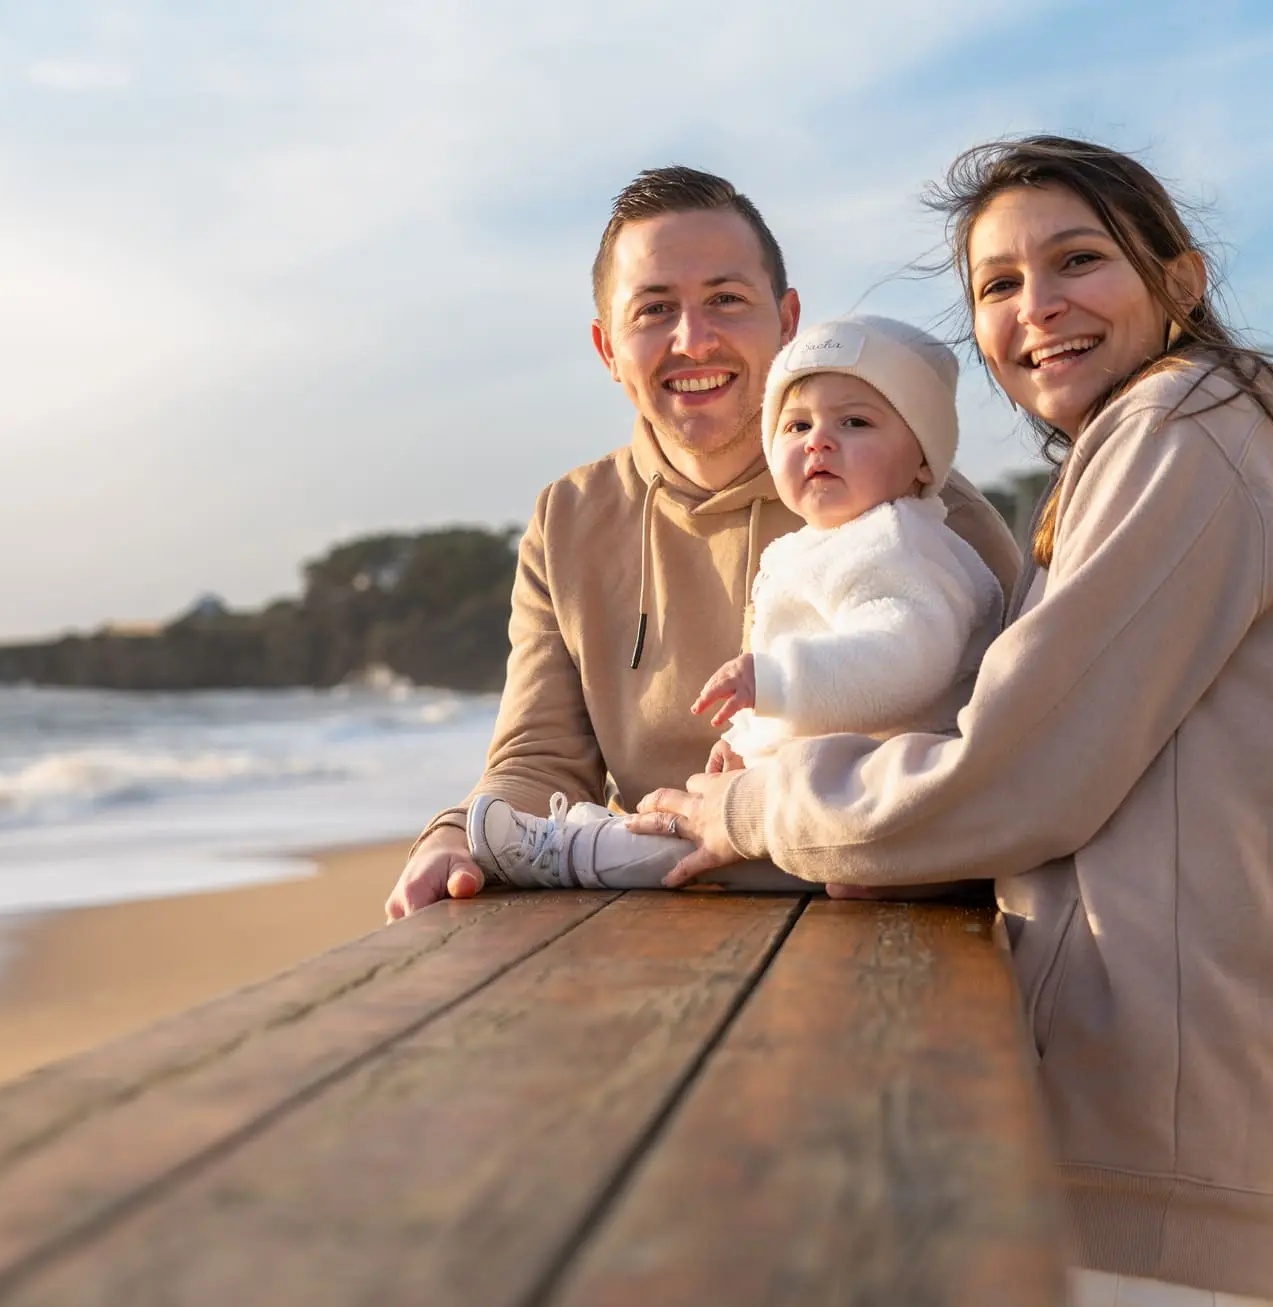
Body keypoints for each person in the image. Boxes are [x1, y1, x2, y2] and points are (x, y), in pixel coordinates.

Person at [631, 136, 1273, 1305]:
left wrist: (749, 804)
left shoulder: (1180, 431)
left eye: (1076, 259)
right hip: (1197, 1100)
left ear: (1179, 280)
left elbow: (1011, 771)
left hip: (1154, 1135)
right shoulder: (1208, 437)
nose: (1037, 309)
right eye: (997, 285)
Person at [382, 167, 1022, 921]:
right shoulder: (567, 518)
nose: (693, 340)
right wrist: (456, 835)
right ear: (607, 348)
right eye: (654, 310)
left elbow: (1013, 747)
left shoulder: (921, 506)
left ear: (787, 323)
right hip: (660, 921)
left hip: (886, 918)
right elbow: (538, 757)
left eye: (725, 300)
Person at [463, 315, 1003, 890]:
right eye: (796, 426)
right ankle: (583, 836)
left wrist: (775, 682)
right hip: (810, 802)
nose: (819, 441)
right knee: (692, 820)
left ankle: (570, 851)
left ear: (924, 459)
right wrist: (745, 739)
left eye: (855, 422)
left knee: (681, 849)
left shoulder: (904, 545)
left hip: (873, 808)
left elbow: (904, 657)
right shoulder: (820, 545)